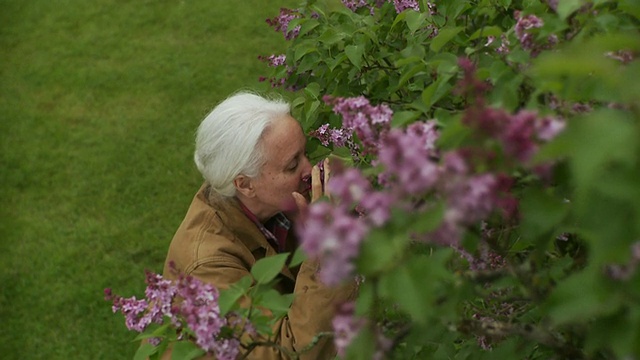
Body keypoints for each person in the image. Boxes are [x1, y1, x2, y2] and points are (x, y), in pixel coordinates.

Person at [161, 91, 356, 359]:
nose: (309, 170)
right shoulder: (207, 263)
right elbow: (285, 354)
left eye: (304, 154)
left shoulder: (272, 203)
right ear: (245, 184)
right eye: (291, 165)